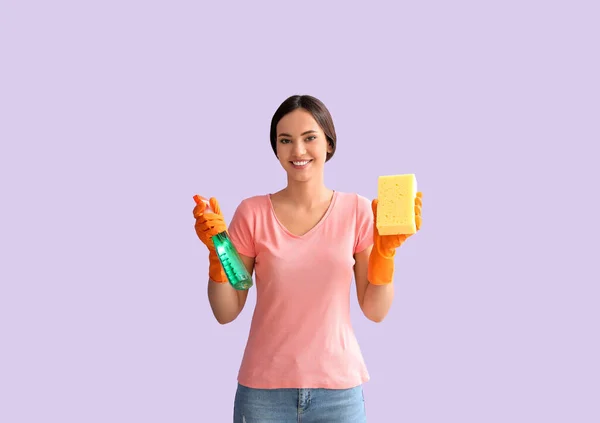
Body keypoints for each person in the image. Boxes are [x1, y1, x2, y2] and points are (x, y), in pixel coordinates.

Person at [193, 94, 423, 422]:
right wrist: (218, 255)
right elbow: (226, 311)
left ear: (329, 143)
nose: (298, 151)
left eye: (309, 138)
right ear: (275, 148)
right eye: (285, 140)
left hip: (339, 394)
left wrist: (385, 253)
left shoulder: (357, 210)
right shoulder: (252, 213)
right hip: (263, 394)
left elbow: (375, 310)